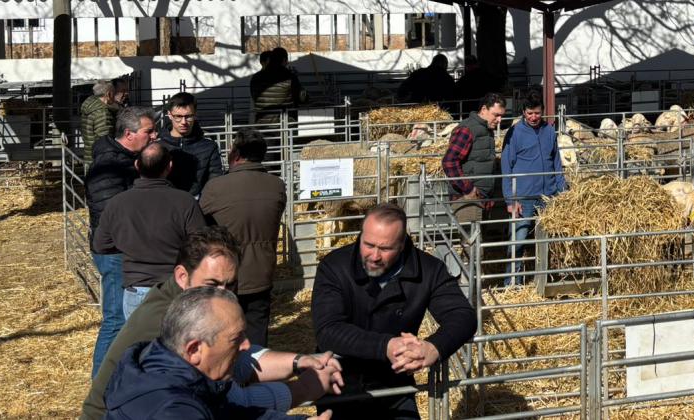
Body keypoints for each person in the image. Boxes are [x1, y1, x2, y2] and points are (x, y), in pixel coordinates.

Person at [84, 227, 345, 420]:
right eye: (213, 284)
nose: (226, 294)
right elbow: (227, 400)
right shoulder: (171, 321)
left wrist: (298, 361)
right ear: (182, 276)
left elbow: (234, 356)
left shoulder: (190, 303)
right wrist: (301, 390)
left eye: (230, 284)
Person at [311, 203, 476, 418]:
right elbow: (328, 329)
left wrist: (434, 347)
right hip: (341, 379)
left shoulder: (428, 270)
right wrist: (387, 346)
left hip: (394, 381)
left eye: (385, 248)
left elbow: (462, 315)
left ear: (402, 245)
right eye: (368, 244)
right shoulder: (335, 266)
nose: (375, 255)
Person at [103, 287, 332, 420]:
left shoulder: (164, 364)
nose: (246, 345)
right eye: (236, 339)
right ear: (194, 350)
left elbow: (229, 415)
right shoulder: (173, 410)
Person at [93, 142, 207, 316]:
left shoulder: (118, 203)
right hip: (175, 287)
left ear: (137, 165)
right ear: (169, 166)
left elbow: (100, 244)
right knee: (176, 342)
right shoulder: (185, 202)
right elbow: (201, 245)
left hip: (136, 289)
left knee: (139, 343)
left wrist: (129, 243)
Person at [85, 106, 158, 376]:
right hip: (114, 250)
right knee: (115, 317)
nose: (154, 136)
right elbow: (111, 214)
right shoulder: (109, 166)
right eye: (148, 131)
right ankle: (101, 383)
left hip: (125, 247)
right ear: (129, 134)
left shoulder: (126, 159)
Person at [199, 129, 286, 346]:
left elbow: (200, 221)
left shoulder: (216, 187)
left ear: (235, 154)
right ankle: (256, 375)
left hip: (226, 274)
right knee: (257, 329)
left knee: (224, 333)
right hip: (262, 271)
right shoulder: (277, 186)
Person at [499, 93, 566, 286]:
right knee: (518, 240)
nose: (534, 117)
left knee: (550, 241)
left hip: (548, 196)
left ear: (543, 112)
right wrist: (510, 199)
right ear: (523, 112)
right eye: (530, 113)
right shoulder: (514, 133)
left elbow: (556, 163)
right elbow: (506, 167)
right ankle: (512, 284)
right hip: (524, 196)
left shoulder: (549, 131)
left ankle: (547, 282)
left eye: (537, 113)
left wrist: (561, 192)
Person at [442, 93, 505, 227]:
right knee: (473, 244)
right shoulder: (467, 129)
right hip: (467, 200)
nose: (499, 120)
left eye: (501, 116)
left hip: (481, 198)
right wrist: (468, 189)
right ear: (483, 110)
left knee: (478, 243)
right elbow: (449, 162)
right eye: (496, 115)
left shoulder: (486, 130)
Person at [159, 92, 224, 197]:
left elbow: (215, 181)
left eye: (188, 116)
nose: (183, 122)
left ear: (195, 114)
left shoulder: (210, 147)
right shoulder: (157, 147)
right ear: (169, 115)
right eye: (178, 116)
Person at [251, 48, 309, 125]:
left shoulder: (255, 78)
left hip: (261, 124)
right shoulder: (289, 76)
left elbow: (255, 98)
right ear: (284, 60)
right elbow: (300, 98)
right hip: (284, 126)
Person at [81, 80, 117, 162]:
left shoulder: (90, 106)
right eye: (114, 94)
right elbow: (104, 141)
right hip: (100, 161)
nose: (114, 98)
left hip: (89, 156)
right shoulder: (102, 112)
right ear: (108, 94)